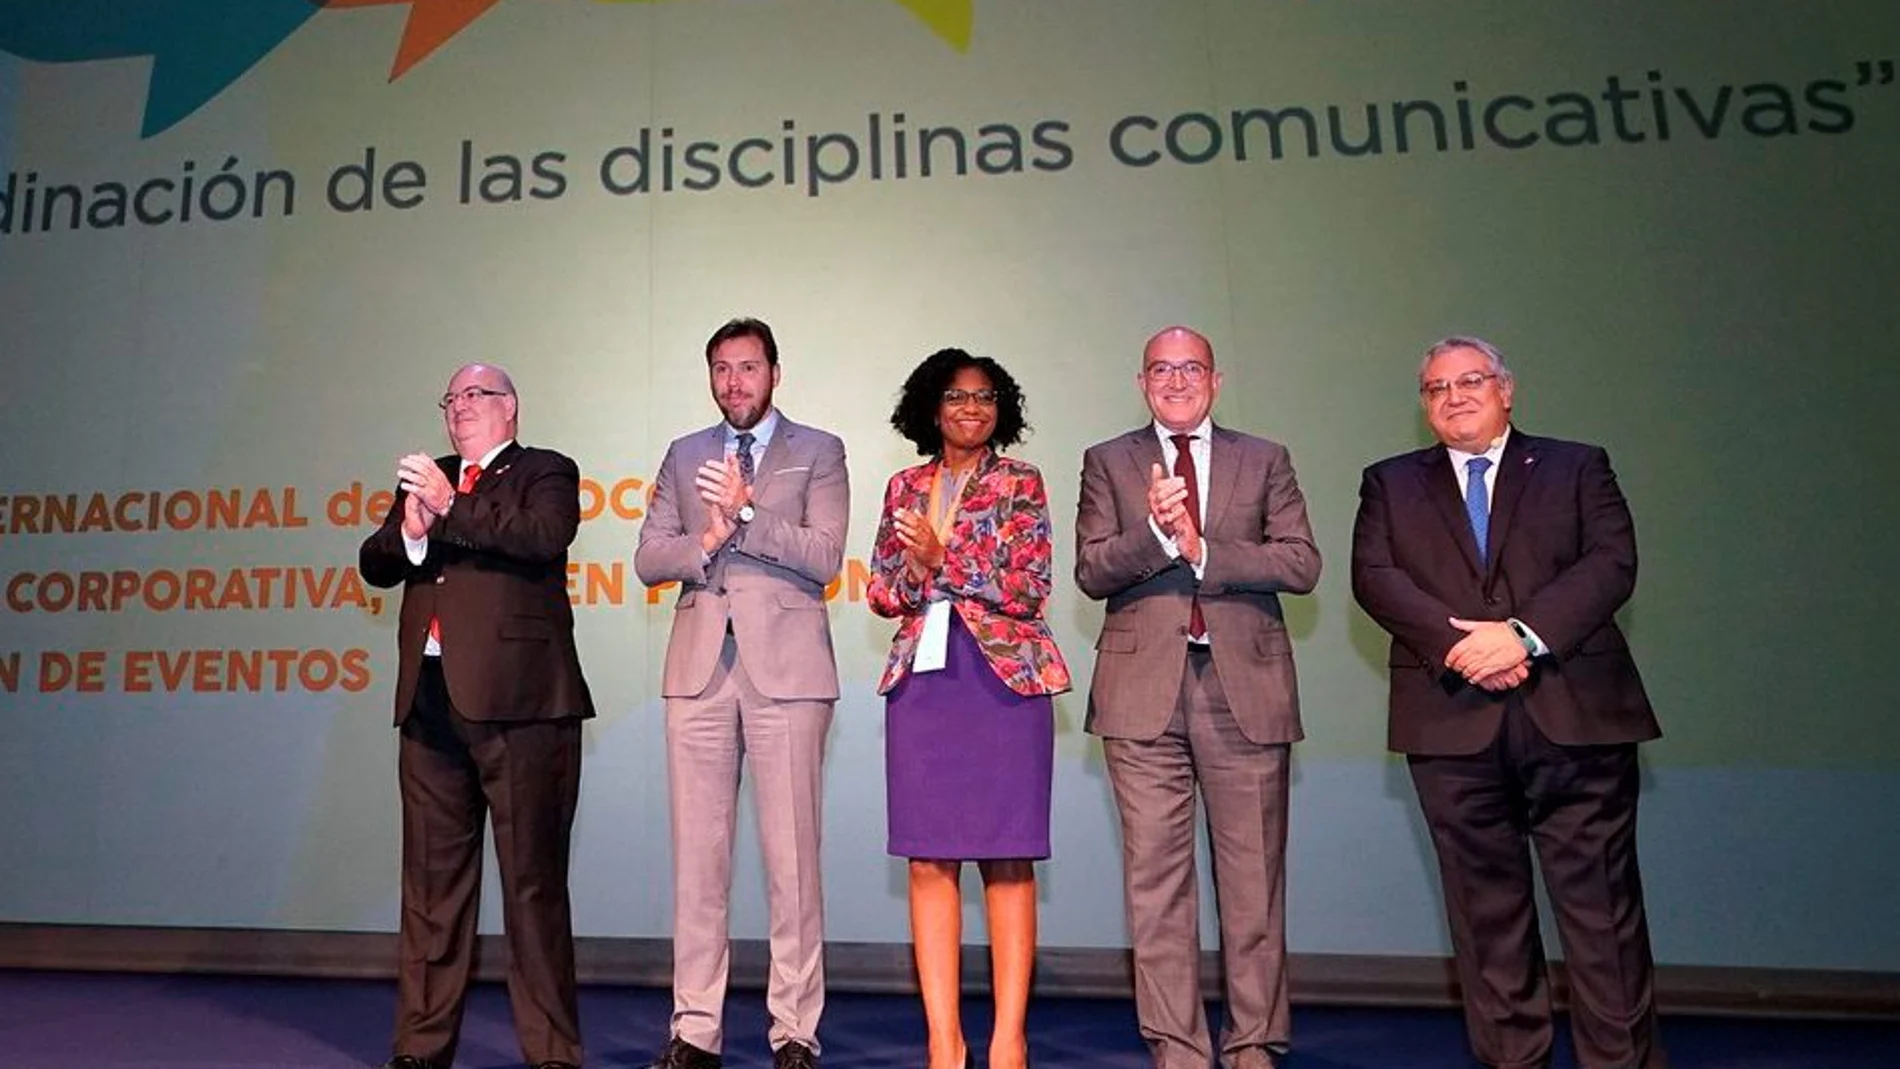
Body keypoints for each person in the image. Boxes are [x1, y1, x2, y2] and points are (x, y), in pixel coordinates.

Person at [1349, 335, 1666, 1069]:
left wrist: (1522, 637)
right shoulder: (1389, 483)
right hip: (1452, 724)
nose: (1455, 396)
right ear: (1424, 405)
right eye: (1436, 388)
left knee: (1603, 921)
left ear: (1507, 389)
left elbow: (1612, 562)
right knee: (1487, 923)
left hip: (1577, 722)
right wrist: (1467, 648)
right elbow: (1375, 577)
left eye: (1472, 380)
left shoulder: (1576, 464)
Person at [1074, 326, 1320, 1069]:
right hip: (1140, 694)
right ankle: (1177, 1047)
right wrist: (1155, 531)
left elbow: (1301, 562)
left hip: (1244, 688)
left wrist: (1204, 550)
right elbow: (1090, 569)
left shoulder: (1265, 457)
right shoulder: (1108, 460)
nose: (1175, 380)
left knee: (1253, 882)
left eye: (1190, 368)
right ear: (1141, 380)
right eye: (1160, 369)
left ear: (1215, 380)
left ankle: (1252, 1043)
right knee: (1156, 884)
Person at [358, 363, 593, 1069]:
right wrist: (413, 526)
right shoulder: (429, 478)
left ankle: (551, 1051)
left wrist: (448, 506)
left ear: (510, 408)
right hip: (430, 704)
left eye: (474, 395)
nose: (459, 408)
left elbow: (540, 537)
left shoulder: (546, 470)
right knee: (430, 890)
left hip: (523, 707)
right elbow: (376, 562)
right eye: (451, 398)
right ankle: (420, 1048)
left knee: (532, 884)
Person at [634, 317, 849, 1069]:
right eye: (722, 369)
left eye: (748, 368)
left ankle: (795, 1030)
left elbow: (824, 556)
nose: (735, 382)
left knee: (793, 863)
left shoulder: (818, 450)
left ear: (774, 374)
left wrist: (747, 515)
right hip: (697, 670)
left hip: (787, 672)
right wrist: (707, 535)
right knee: (698, 861)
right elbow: (648, 557)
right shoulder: (684, 453)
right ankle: (695, 1029)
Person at [867, 349, 1071, 1069]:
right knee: (930, 859)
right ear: (931, 405)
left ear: (1001, 408)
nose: (971, 408)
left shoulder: (1022, 482)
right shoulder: (904, 485)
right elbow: (883, 592)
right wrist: (917, 566)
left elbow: (1028, 585)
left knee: (1009, 859)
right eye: (956, 395)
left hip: (1003, 684)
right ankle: (943, 1041)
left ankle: (1009, 1038)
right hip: (926, 683)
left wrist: (941, 557)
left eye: (985, 397)